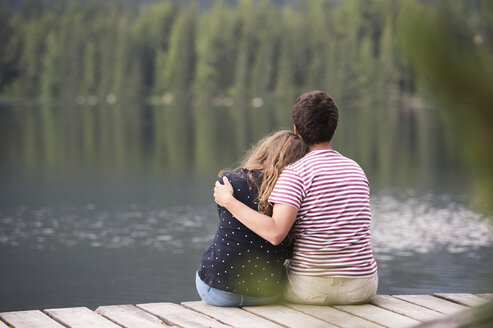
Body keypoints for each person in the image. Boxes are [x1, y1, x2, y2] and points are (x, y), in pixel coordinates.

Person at [214, 90, 378, 305]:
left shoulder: (296, 172)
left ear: (296, 130)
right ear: (333, 128)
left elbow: (275, 233)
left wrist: (229, 201)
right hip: (362, 287)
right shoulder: (356, 170)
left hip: (312, 290)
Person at [196, 130, 308, 306]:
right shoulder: (293, 194)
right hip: (266, 295)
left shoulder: (230, 181)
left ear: (265, 151)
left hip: (217, 291)